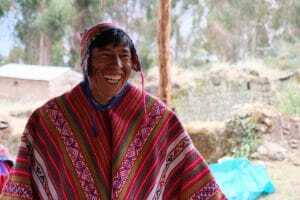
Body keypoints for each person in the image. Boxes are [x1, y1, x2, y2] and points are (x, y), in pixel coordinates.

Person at [1, 22, 226, 199]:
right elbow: (21, 187)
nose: (117, 65)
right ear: (87, 61)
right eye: (106, 56)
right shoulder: (48, 120)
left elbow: (196, 180)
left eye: (124, 56)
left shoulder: (157, 118)